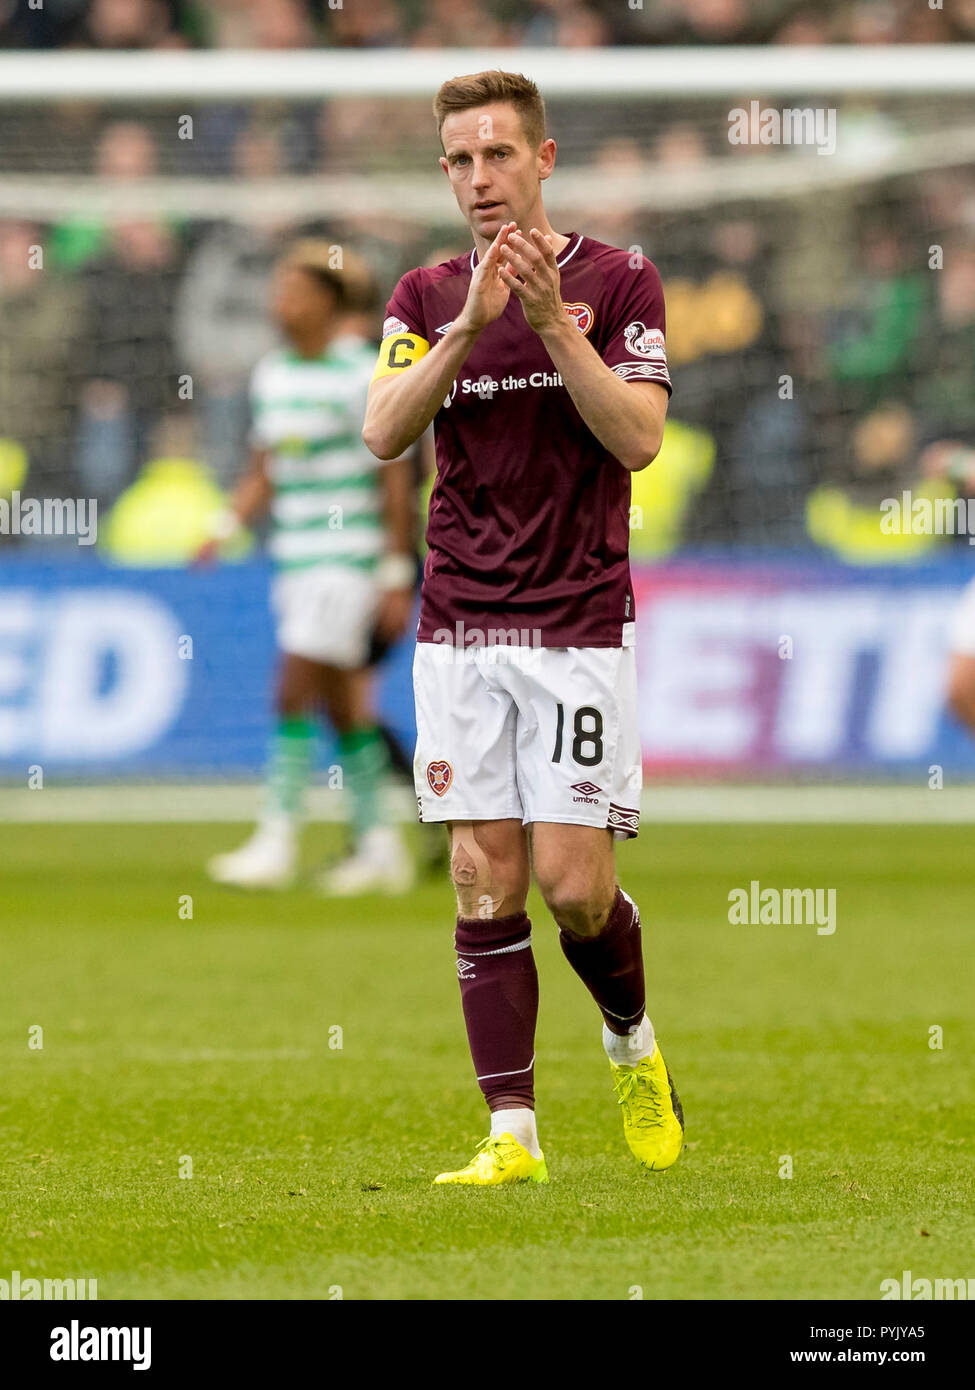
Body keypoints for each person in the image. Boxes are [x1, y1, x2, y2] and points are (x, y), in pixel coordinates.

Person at [362, 70, 683, 1184]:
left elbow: (638, 439)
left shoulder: (618, 278)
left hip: (579, 623)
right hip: (459, 621)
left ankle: (632, 1039)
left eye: (499, 153)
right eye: (460, 158)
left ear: (544, 159)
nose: (480, 177)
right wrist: (467, 334)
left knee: (573, 887)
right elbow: (383, 431)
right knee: (481, 876)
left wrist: (550, 325)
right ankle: (513, 1136)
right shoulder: (421, 296)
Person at [203, 241, 416, 894]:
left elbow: (394, 477)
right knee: (341, 704)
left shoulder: (361, 374)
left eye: (292, 291)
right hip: (295, 557)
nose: (278, 303)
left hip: (345, 558)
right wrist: (226, 525)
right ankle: (380, 845)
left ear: (326, 303)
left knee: (290, 689)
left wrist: (395, 569)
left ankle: (277, 837)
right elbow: (263, 468)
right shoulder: (272, 374)